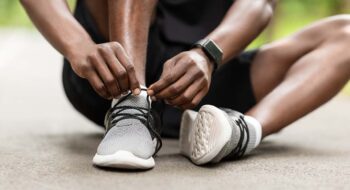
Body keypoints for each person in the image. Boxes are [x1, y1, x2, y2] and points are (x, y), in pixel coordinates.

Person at [21, 0, 350, 169]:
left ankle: (239, 132)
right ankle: (130, 111)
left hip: (205, 76)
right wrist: (77, 44)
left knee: (346, 35)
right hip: (111, 66)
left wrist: (209, 54)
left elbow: (259, 4)